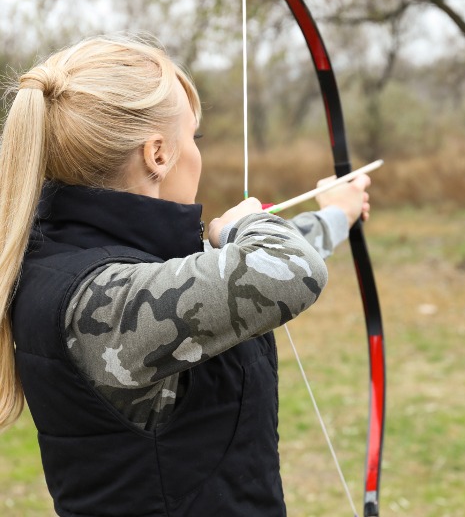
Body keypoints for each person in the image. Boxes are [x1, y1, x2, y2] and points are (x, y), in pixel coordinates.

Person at [0, 35, 371, 516]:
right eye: (192, 138)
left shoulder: (70, 259)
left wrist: (336, 215)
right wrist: (244, 224)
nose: (197, 153)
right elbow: (285, 269)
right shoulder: (102, 300)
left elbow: (222, 274)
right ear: (157, 153)